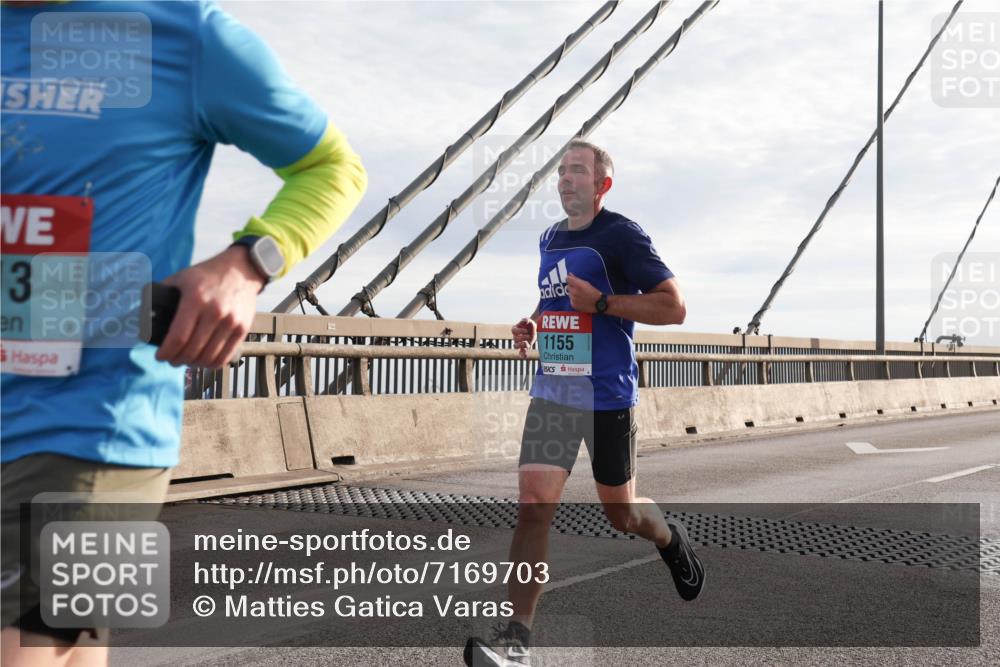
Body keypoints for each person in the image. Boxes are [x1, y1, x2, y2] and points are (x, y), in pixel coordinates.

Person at [0, 2, 367, 664]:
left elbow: (334, 167)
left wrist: (248, 262)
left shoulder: (184, 34)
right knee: (71, 648)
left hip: (95, 428)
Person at [465, 140, 703, 667]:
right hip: (556, 390)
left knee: (622, 514)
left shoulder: (622, 235)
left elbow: (674, 306)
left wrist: (601, 303)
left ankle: (667, 537)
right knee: (533, 505)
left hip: (607, 394)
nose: (565, 179)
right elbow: (558, 298)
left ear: (601, 186)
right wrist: (535, 320)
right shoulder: (549, 238)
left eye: (577, 171)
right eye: (561, 171)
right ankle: (516, 641)